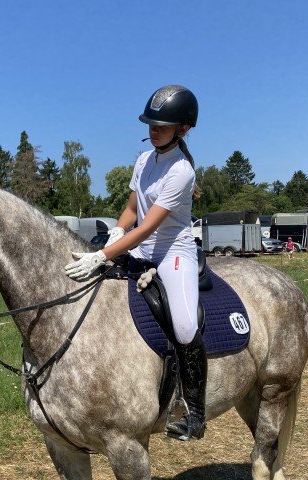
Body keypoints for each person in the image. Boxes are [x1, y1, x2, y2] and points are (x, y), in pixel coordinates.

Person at [64, 85, 206, 441]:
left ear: (183, 129)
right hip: (138, 248)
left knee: (186, 326)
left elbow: (149, 227)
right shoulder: (143, 160)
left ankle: (194, 412)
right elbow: (131, 211)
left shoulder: (181, 171)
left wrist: (102, 255)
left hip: (173, 251)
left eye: (162, 125)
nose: (153, 130)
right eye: (151, 124)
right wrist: (115, 231)